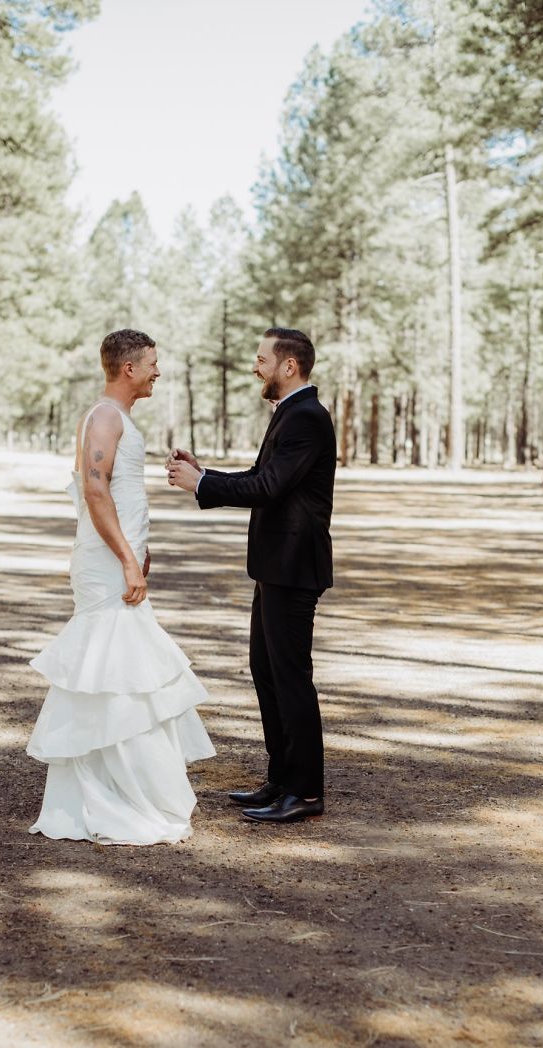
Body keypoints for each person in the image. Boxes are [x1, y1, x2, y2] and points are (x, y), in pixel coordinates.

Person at [26, 329, 215, 845]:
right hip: (108, 566)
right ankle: (120, 796)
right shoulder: (106, 416)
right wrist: (128, 560)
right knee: (118, 672)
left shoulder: (118, 418)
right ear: (128, 367)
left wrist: (139, 547)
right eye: (153, 363)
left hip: (118, 557)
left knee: (121, 672)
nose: (158, 371)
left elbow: (121, 494)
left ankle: (115, 789)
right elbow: (94, 487)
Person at [167, 328, 335, 824]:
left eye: (262, 359)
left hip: (293, 568)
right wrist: (209, 474)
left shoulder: (306, 417)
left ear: (289, 366)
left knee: (291, 680)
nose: (255, 366)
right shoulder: (291, 413)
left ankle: (304, 792)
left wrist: (201, 484)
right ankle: (281, 780)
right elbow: (266, 480)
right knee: (268, 675)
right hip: (274, 568)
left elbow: (269, 486)